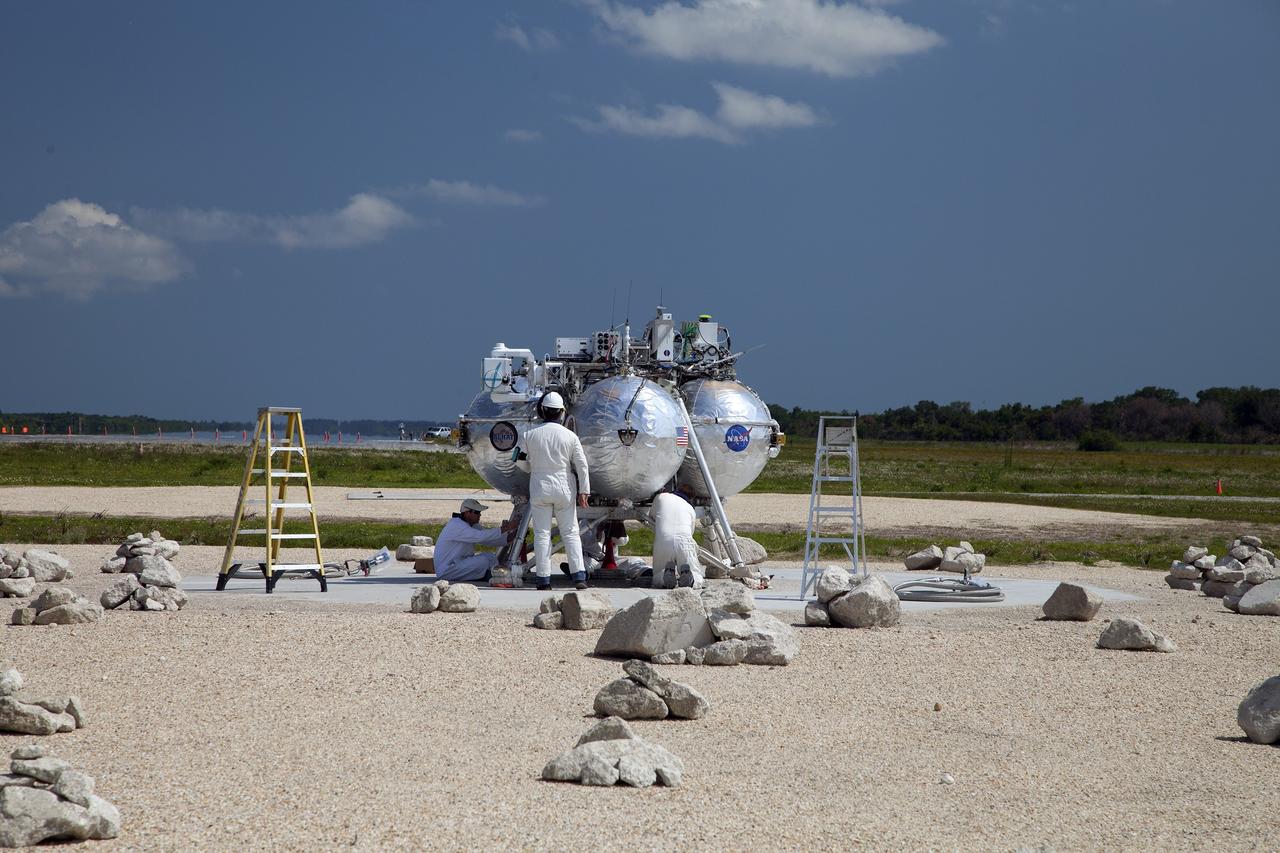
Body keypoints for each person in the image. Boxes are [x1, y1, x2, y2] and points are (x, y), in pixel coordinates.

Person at [516, 391, 590, 591]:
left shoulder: (529, 435)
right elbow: (582, 465)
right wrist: (584, 491)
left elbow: (518, 459)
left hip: (540, 486)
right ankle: (579, 578)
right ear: (562, 413)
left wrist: (532, 469)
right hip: (565, 487)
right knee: (571, 532)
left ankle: (543, 580)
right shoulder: (571, 436)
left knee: (542, 533)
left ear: (543, 411)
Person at [434, 498, 516, 582]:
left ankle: (492, 574)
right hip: (448, 570)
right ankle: (491, 575)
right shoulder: (456, 525)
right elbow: (480, 536)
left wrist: (509, 538)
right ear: (467, 513)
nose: (479, 515)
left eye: (479, 512)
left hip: (458, 564)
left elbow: (487, 539)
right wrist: (506, 528)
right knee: (483, 560)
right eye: (476, 512)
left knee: (490, 556)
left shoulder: (472, 525)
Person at [650, 488, 703, 588]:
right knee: (696, 573)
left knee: (658, 573)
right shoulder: (690, 508)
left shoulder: (661, 497)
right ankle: (691, 579)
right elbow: (691, 532)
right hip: (684, 541)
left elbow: (651, 516)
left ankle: (665, 576)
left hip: (663, 541)